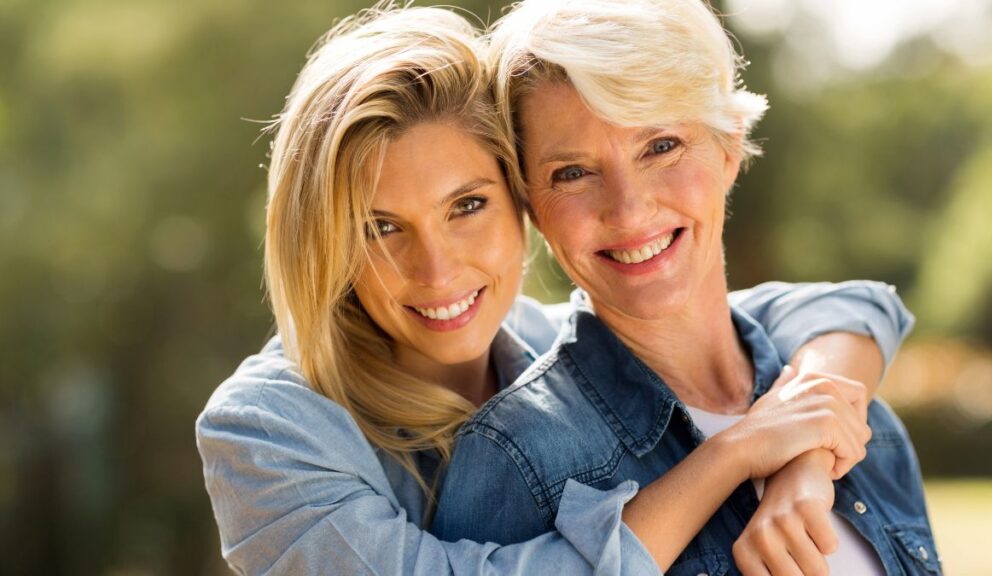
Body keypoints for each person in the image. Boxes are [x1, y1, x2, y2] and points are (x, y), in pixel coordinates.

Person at [197, 4, 916, 575]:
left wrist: (808, 451)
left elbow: (837, 306)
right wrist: (734, 455)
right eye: (379, 227)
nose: (438, 270)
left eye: (467, 205)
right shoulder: (266, 428)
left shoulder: (547, 339)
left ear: (515, 204)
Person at [431, 1, 940, 575]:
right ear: (531, 207)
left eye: (661, 145)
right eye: (571, 172)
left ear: (728, 146)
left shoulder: (856, 415)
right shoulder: (515, 457)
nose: (628, 210)